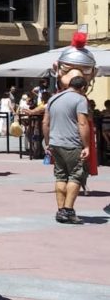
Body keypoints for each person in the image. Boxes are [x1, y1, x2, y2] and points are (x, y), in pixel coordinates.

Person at [43, 75, 91, 224]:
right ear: (83, 87)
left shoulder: (53, 98)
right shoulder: (80, 99)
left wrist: (47, 142)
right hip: (72, 144)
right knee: (76, 175)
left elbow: (45, 122)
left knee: (60, 176)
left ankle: (61, 211)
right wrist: (87, 146)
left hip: (55, 143)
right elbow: (82, 123)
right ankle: (68, 211)